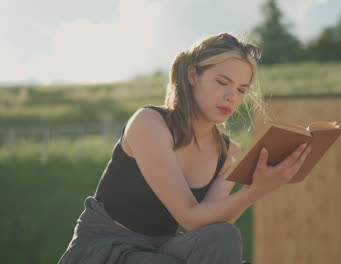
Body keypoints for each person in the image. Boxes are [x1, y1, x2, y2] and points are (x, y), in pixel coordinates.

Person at [58, 33, 311, 264]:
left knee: (225, 234)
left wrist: (256, 185)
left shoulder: (229, 152)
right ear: (192, 76)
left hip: (162, 249)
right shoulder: (149, 123)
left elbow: (205, 228)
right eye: (222, 82)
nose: (231, 96)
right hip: (105, 249)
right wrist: (255, 191)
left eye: (241, 90)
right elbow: (189, 217)